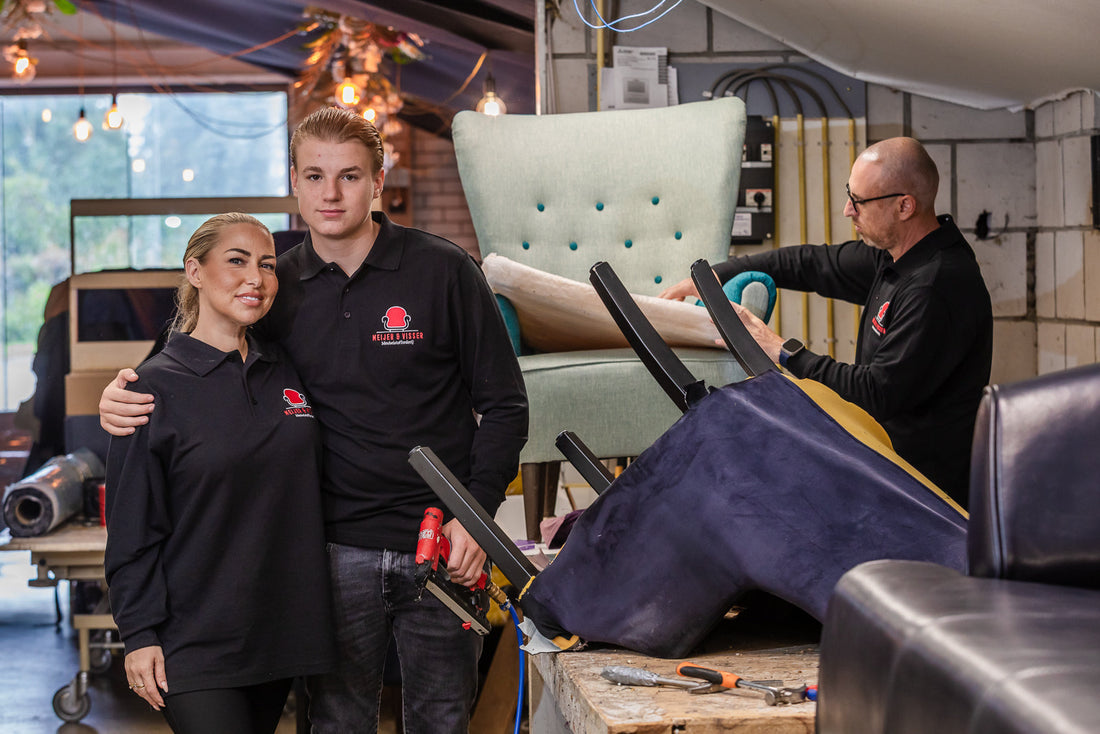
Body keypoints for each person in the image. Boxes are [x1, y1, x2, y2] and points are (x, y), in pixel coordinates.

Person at [100, 107, 529, 733]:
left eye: (349, 176)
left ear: (377, 182)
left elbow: (506, 404)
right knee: (335, 722)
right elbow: (187, 357)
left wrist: (476, 517)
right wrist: (119, 395)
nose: (331, 194)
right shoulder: (273, 285)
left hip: (440, 545)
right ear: (295, 184)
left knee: (442, 719)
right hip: (327, 555)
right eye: (315, 176)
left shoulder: (444, 271)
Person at [660, 137, 991, 507]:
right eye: (850, 195)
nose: (848, 210)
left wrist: (780, 349)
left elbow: (875, 394)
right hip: (881, 463)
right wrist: (717, 275)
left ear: (904, 206)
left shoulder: (935, 286)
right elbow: (810, 264)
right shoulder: (900, 256)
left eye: (859, 201)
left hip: (919, 495)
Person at [103, 213, 335, 733]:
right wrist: (138, 633)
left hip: (279, 632)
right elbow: (131, 526)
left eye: (267, 265)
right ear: (195, 272)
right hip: (193, 638)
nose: (256, 277)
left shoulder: (287, 371)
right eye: (236, 261)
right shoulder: (150, 389)